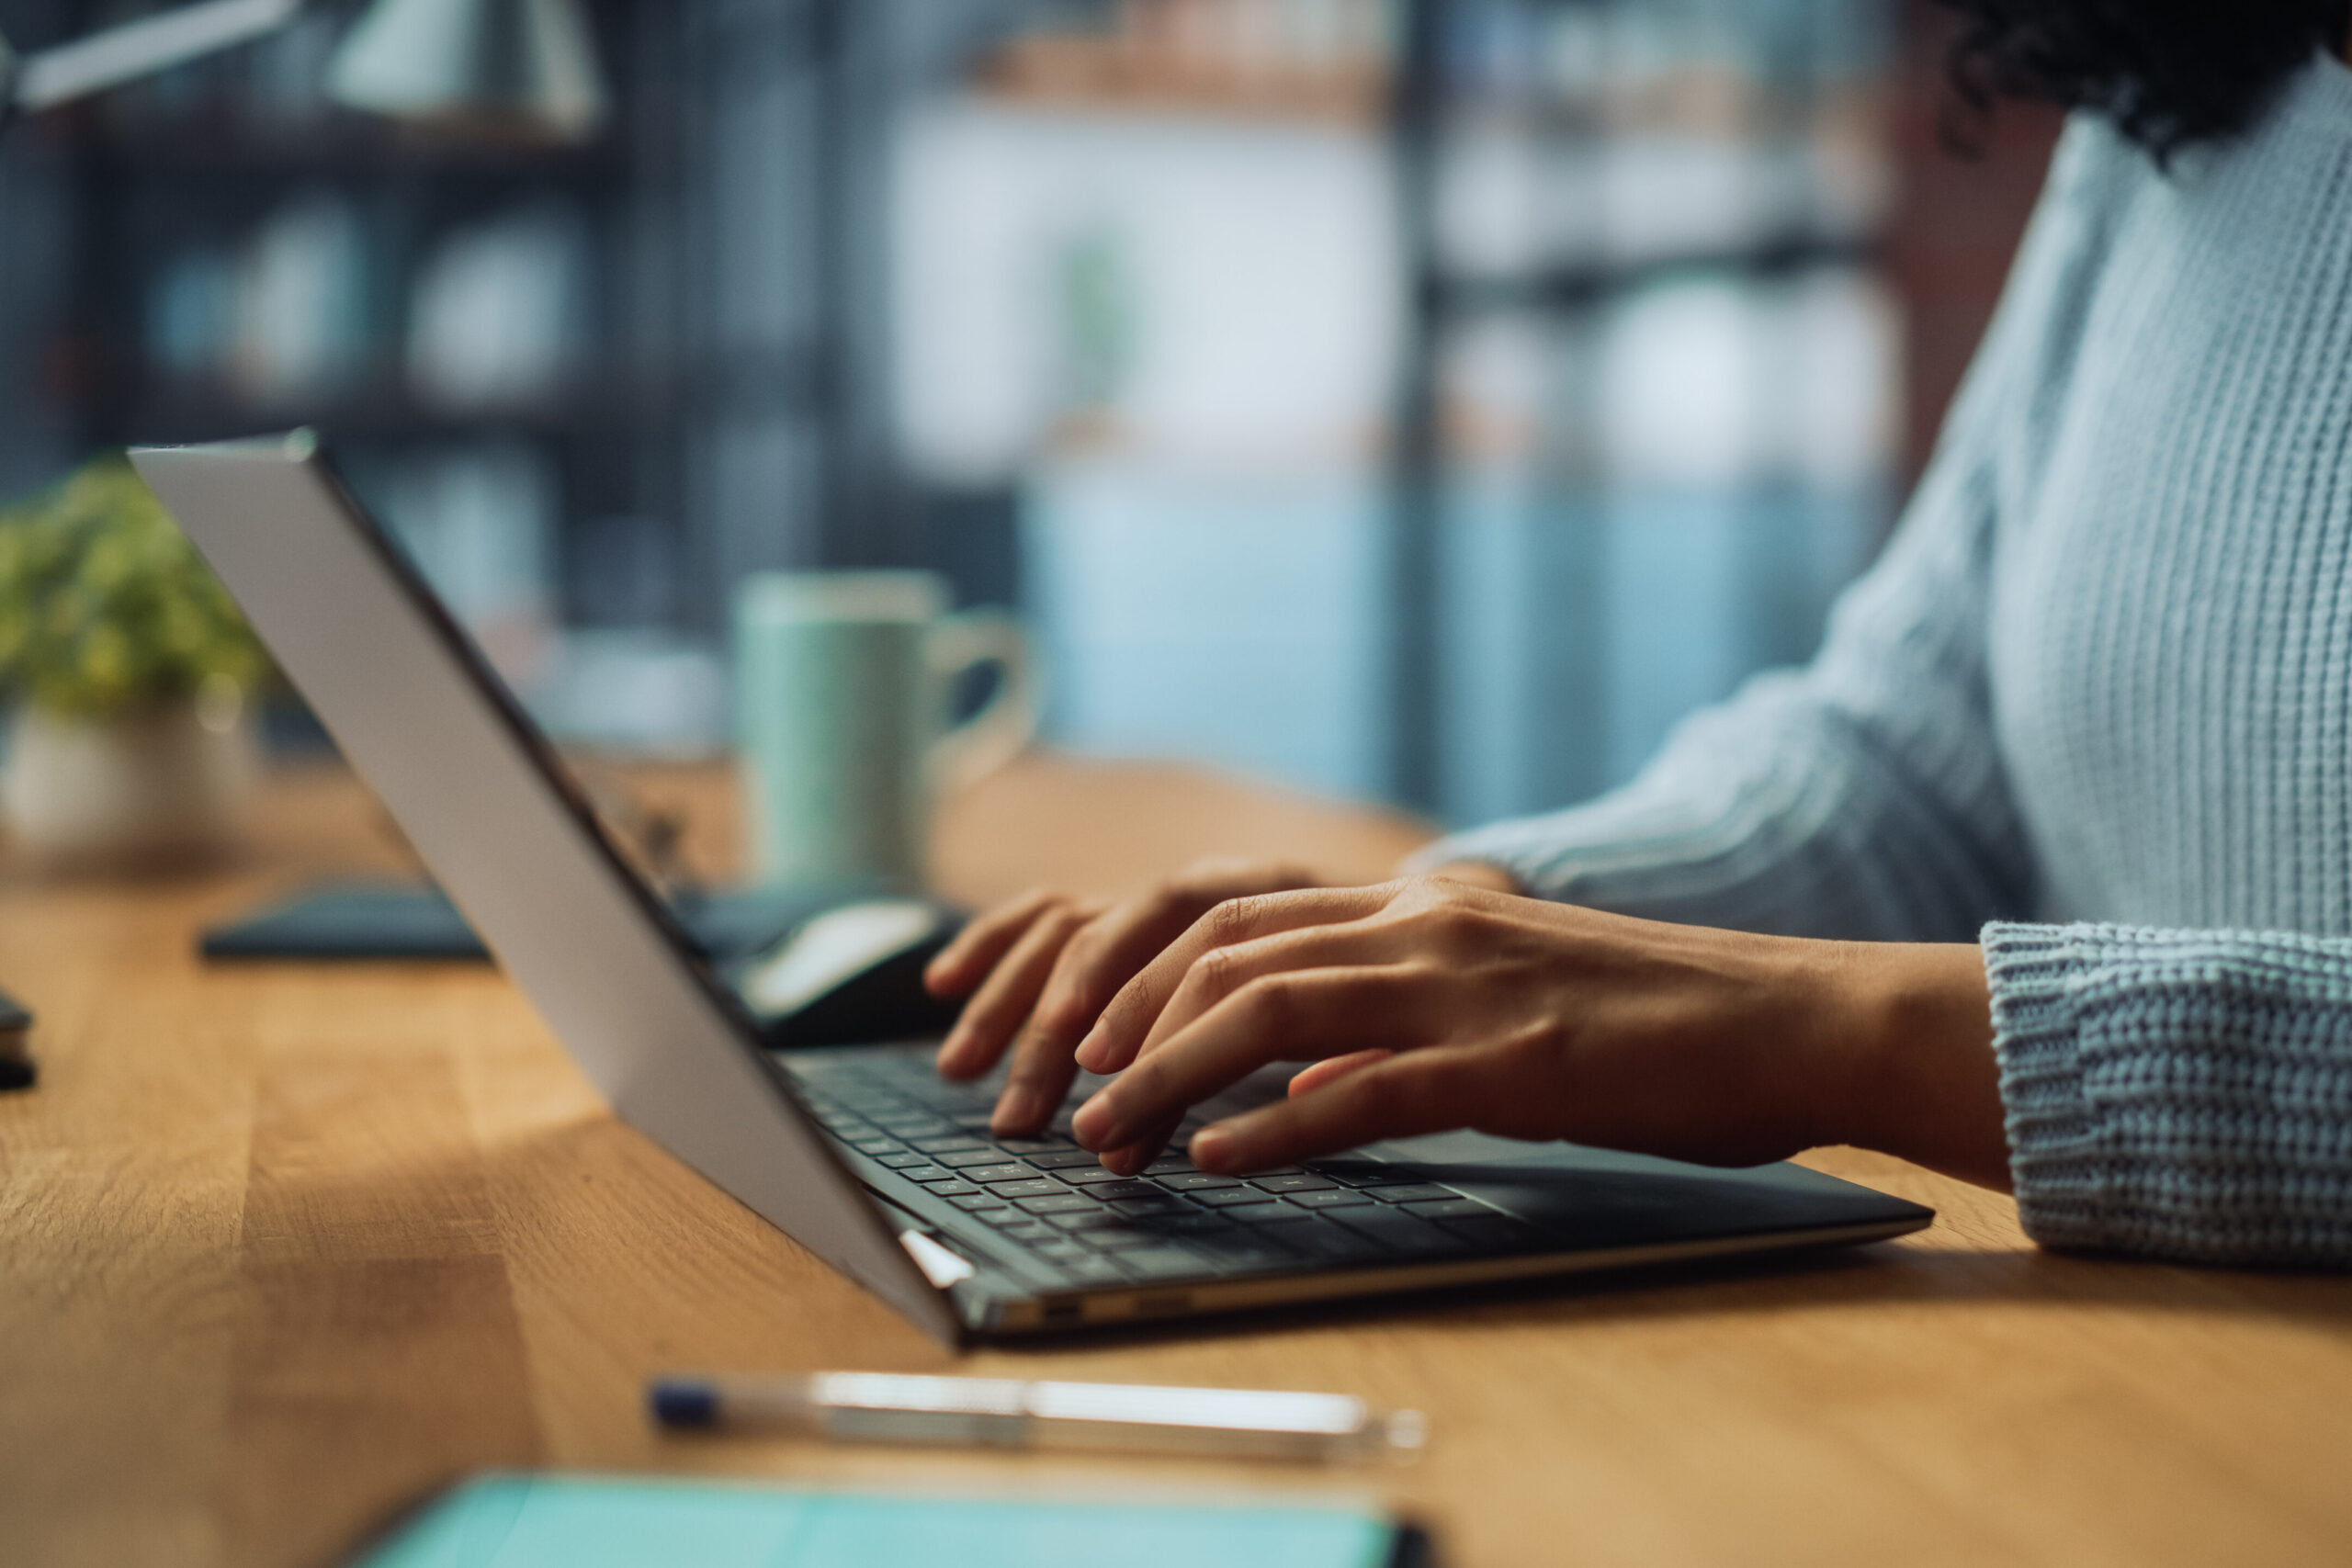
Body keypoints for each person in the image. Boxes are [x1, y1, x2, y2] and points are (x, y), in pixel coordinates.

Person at [923, 0, 2352, 1269]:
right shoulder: (2190, 88)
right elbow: (1910, 757)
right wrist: (1473, 919)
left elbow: (1857, 974)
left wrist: (1835, 1035)